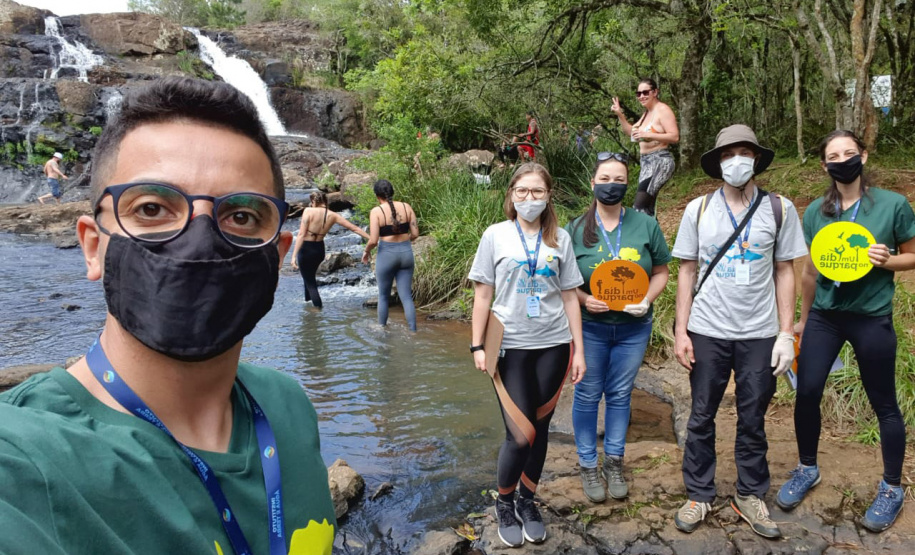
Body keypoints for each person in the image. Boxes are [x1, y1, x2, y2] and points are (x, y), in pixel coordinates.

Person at [0, 77, 337, 553]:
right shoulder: (23, 461)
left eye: (241, 216)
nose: (198, 242)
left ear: (278, 256)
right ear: (93, 246)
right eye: (153, 208)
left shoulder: (287, 405)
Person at [671, 124, 807, 539]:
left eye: (744, 153)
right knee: (701, 415)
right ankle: (699, 493)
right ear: (718, 163)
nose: (736, 161)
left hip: (759, 332)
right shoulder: (698, 210)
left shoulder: (780, 209)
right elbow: (687, 271)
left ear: (756, 159)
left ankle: (749, 494)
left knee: (753, 416)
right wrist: (681, 331)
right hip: (707, 329)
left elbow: (785, 270)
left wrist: (785, 333)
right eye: (728, 155)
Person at [776, 130, 915, 532]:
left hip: (871, 316)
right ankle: (807, 468)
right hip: (826, 315)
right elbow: (810, 272)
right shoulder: (816, 212)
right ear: (824, 165)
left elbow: (912, 255)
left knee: (883, 402)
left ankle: (891, 487)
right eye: (833, 156)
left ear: (863, 156)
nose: (842, 161)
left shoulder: (892, 204)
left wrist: (887, 261)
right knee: (807, 390)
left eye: (849, 153)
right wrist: (803, 320)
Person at [469, 162, 586, 548]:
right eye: (522, 191)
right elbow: (483, 294)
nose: (529, 198)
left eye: (537, 191)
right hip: (508, 347)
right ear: (511, 195)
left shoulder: (560, 239)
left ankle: (527, 500)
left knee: (541, 431)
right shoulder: (495, 235)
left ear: (549, 196)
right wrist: (477, 345)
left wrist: (579, 350)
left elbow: (570, 297)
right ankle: (504, 503)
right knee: (521, 436)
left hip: (554, 345)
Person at [565, 152, 671, 503]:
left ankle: (614, 462)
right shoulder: (575, 229)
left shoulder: (645, 224)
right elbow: (563, 282)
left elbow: (661, 271)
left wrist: (648, 299)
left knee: (621, 394)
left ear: (628, 184)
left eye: (619, 180)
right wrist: (584, 299)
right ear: (593, 183)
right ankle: (587, 464)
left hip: (633, 329)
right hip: (590, 328)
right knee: (586, 394)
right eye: (605, 179)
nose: (612, 186)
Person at [610, 78, 680, 216]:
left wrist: (649, 135)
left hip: (660, 161)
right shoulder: (646, 113)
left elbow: (674, 137)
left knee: (639, 207)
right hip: (646, 163)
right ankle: (653, 229)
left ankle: (641, 229)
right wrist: (620, 114)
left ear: (655, 92)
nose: (641, 96)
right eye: (638, 93)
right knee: (647, 208)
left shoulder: (663, 110)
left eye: (645, 92)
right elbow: (630, 132)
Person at [290, 191, 369, 308]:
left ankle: (317, 311)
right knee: (308, 278)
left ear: (313, 201)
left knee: (310, 282)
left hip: (306, 249)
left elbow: (301, 234)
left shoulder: (308, 211)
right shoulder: (333, 215)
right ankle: (308, 306)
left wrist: (293, 256)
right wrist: (372, 239)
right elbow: (354, 228)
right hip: (319, 250)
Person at [362, 179, 419, 331]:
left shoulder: (376, 211)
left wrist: (366, 251)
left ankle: (382, 328)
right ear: (392, 192)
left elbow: (373, 240)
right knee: (406, 296)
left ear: (377, 196)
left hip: (386, 254)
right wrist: (404, 242)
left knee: (383, 296)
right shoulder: (406, 207)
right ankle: (413, 331)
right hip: (406, 254)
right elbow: (415, 234)